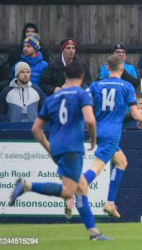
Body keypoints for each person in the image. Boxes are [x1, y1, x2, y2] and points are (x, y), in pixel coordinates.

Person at [8, 62, 111, 240]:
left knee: (81, 187)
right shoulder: (81, 94)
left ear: (65, 77)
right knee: (68, 191)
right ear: (82, 77)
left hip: (57, 146)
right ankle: (27, 185)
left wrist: (50, 148)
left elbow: (35, 129)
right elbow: (90, 120)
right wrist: (93, 140)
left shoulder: (53, 98)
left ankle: (93, 232)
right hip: (72, 148)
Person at [65, 55, 142, 219]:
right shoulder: (127, 86)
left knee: (122, 162)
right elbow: (134, 113)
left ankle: (110, 203)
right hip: (112, 134)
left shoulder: (96, 85)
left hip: (98, 130)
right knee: (95, 169)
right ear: (122, 68)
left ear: (107, 68)